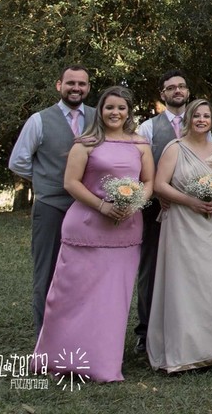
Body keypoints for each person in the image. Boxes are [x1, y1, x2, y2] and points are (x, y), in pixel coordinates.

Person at [33, 86, 154, 382]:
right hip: (86, 226)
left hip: (126, 229)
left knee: (112, 299)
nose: (115, 113)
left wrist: (135, 202)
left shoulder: (140, 144)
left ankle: (102, 364)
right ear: (100, 110)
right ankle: (59, 358)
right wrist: (102, 205)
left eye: (121, 108)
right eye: (109, 107)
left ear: (129, 112)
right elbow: (71, 183)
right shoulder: (85, 143)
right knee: (71, 296)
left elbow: (148, 180)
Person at [146, 99, 212, 372]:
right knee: (183, 284)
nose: (201, 119)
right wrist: (189, 201)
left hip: (209, 225)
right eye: (196, 115)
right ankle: (184, 352)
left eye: (206, 115)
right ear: (189, 119)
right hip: (181, 223)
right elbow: (159, 185)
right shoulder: (175, 148)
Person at [8, 65, 96, 335]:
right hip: (51, 207)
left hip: (88, 208)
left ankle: (78, 332)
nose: (76, 88)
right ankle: (45, 335)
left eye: (82, 83)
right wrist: (45, 179)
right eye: (70, 83)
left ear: (88, 88)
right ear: (59, 85)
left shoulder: (98, 117)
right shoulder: (39, 119)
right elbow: (18, 161)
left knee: (85, 272)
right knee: (47, 271)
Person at [134, 69, 192, 353]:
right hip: (156, 209)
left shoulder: (200, 124)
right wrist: (157, 192)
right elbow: (139, 166)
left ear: (188, 92)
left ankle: (181, 327)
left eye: (181, 87)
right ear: (163, 94)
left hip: (191, 212)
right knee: (151, 268)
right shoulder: (147, 128)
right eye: (171, 88)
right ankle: (145, 332)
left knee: (186, 268)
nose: (177, 91)